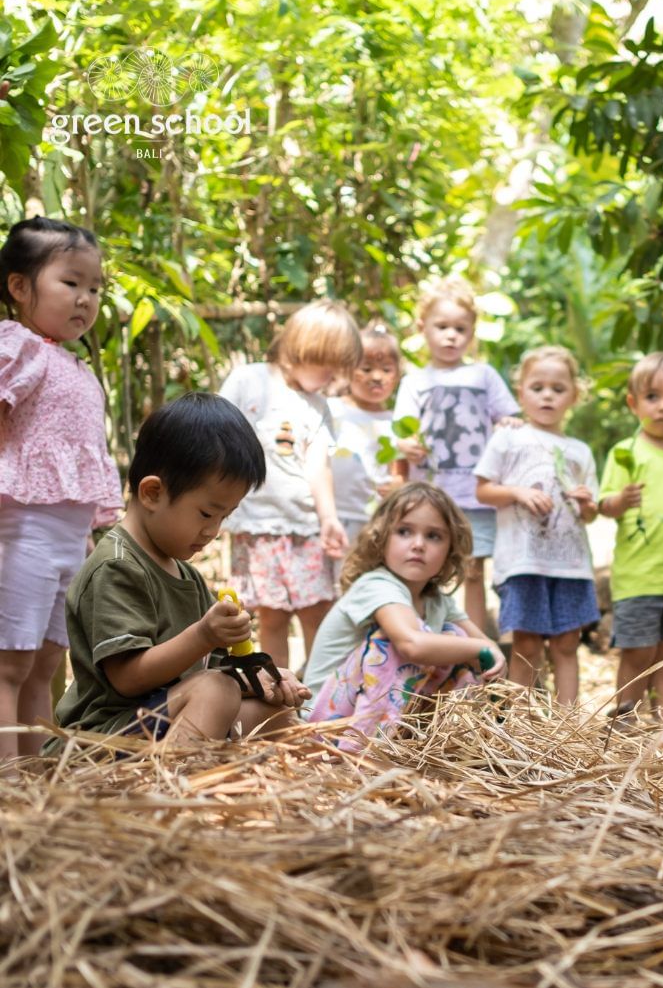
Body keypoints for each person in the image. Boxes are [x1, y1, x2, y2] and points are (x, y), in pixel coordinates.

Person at [52, 393, 309, 749]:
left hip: (164, 724)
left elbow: (214, 667)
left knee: (275, 714)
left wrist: (264, 678)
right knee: (215, 692)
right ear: (153, 493)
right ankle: (176, 796)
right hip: (103, 740)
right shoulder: (117, 566)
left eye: (225, 516)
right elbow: (127, 678)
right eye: (206, 513)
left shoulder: (185, 575)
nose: (213, 530)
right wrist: (203, 635)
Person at [0, 217, 123, 761]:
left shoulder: (77, 368)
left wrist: (89, 538)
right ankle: (9, 784)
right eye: (70, 283)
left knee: (46, 665)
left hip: (68, 541)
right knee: (9, 664)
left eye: (94, 289)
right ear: (20, 287)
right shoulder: (17, 347)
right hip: (21, 532)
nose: (85, 299)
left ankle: (35, 779)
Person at [304, 483, 506, 747]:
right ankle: (360, 756)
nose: (418, 544)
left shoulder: (437, 600)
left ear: (450, 550)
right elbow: (411, 644)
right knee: (397, 645)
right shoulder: (376, 584)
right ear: (382, 538)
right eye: (404, 532)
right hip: (327, 726)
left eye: (434, 536)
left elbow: (483, 650)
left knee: (455, 639)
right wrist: (482, 647)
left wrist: (490, 653)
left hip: (379, 718)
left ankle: (452, 744)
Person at [219, 299, 361, 669]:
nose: (333, 380)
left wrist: (328, 518)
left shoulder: (318, 407)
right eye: (329, 369)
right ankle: (278, 700)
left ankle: (318, 696)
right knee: (272, 617)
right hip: (257, 525)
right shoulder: (249, 381)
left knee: (318, 611)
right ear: (305, 350)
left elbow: (319, 466)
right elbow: (217, 435)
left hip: (304, 527)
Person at [475, 346, 599, 704]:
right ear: (521, 393)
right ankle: (518, 729)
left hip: (571, 565)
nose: (547, 395)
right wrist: (517, 492)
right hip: (522, 561)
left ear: (574, 396)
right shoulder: (509, 437)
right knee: (526, 642)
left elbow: (590, 513)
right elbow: (483, 490)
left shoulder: (580, 450)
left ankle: (567, 729)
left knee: (567, 643)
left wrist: (587, 504)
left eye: (558, 389)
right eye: (538, 387)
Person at [392, 277, 519, 629]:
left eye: (460, 329)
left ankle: (476, 641)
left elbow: (507, 416)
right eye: (442, 327)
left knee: (473, 571)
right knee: (426, 569)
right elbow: (401, 432)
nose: (451, 336)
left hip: (477, 496)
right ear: (423, 328)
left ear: (472, 332)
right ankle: (424, 636)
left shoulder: (484, 375)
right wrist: (406, 444)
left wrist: (508, 423)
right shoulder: (415, 380)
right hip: (432, 497)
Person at [598, 352, 663, 719]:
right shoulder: (626, 452)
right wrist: (619, 500)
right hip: (639, 577)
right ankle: (624, 720)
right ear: (633, 403)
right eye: (652, 398)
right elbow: (603, 504)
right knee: (638, 651)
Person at [328, 320, 402, 550]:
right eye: (367, 369)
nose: (377, 376)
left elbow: (401, 472)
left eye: (386, 370)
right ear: (347, 371)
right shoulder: (331, 410)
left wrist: (398, 486)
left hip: (378, 522)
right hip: (333, 516)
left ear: (397, 375)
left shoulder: (397, 423)